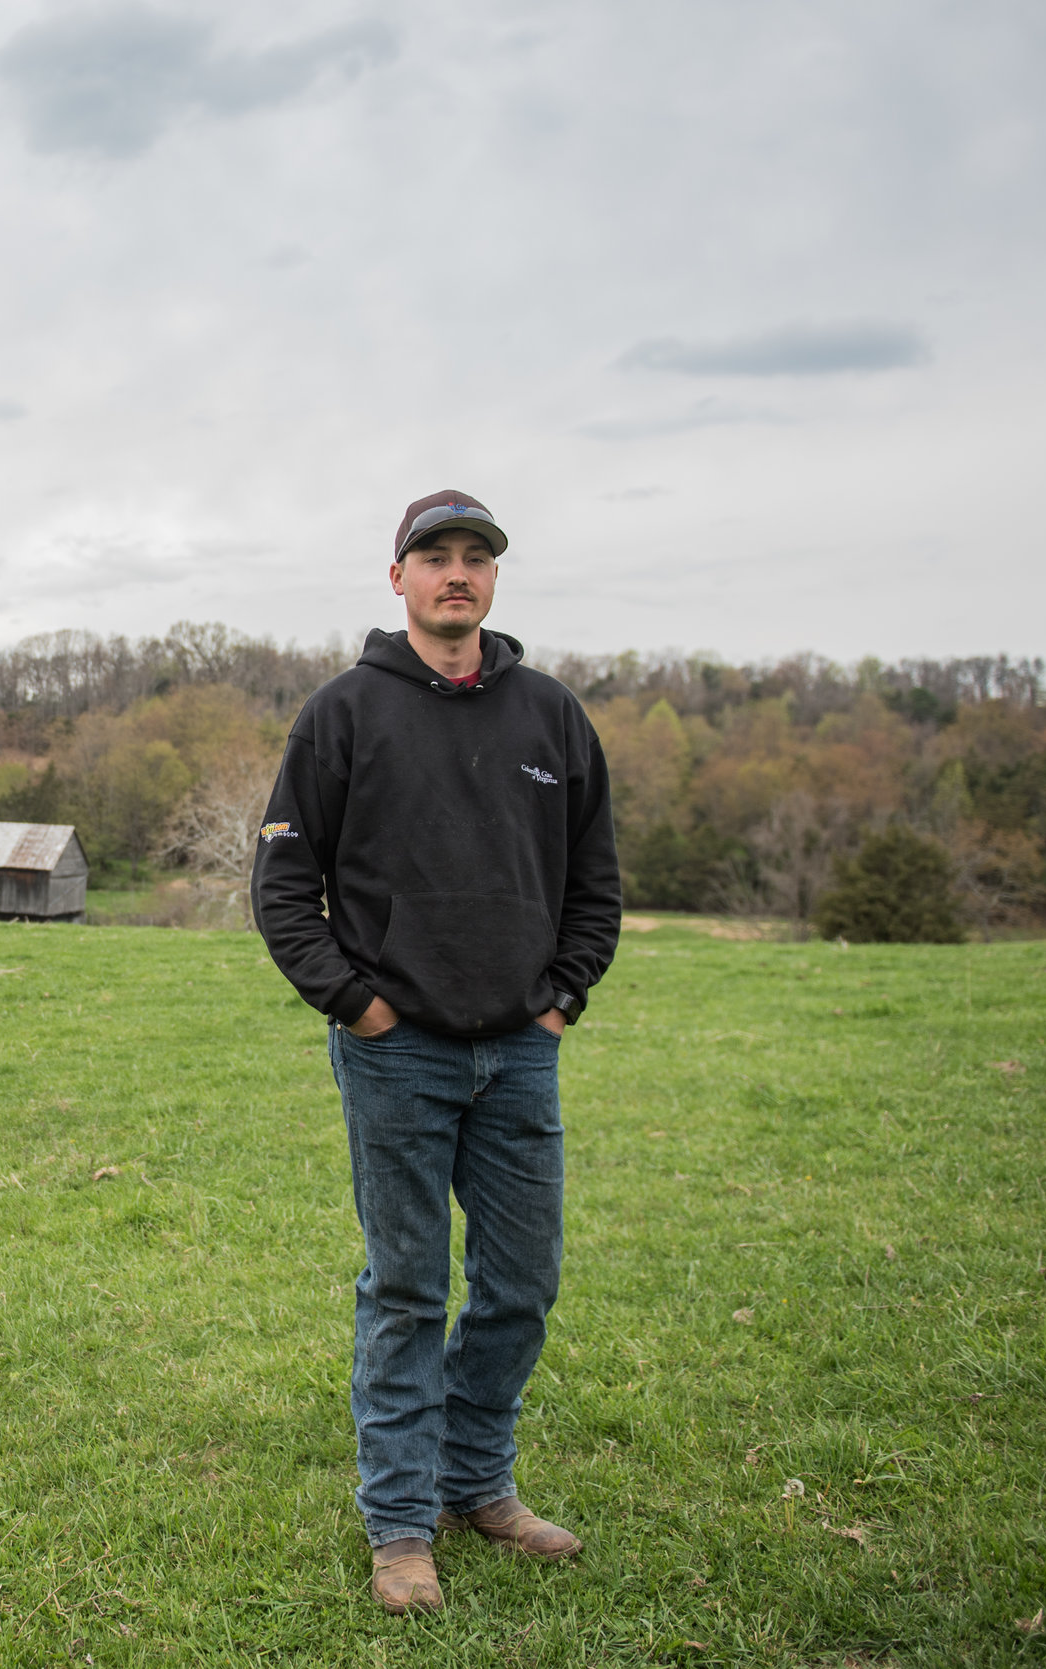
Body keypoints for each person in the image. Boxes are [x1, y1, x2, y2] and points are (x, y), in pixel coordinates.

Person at [251, 488, 621, 1615]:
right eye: (435, 557)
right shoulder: (344, 712)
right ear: (398, 576)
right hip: (395, 1054)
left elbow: (594, 883)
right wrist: (358, 1006)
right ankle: (401, 1525)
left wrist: (559, 1000)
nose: (456, 574)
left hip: (520, 1051)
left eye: (475, 558)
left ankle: (476, 1484)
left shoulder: (550, 716)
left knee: (519, 1284)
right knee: (407, 1289)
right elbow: (280, 886)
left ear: (495, 580)